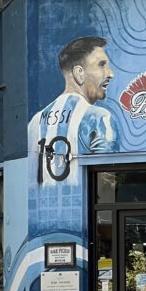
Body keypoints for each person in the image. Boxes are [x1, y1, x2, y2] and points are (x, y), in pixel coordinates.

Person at [32, 36, 119, 182]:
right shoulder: (99, 118)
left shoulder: (35, 121)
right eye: (102, 65)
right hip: (83, 202)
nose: (110, 73)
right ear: (79, 73)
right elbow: (106, 182)